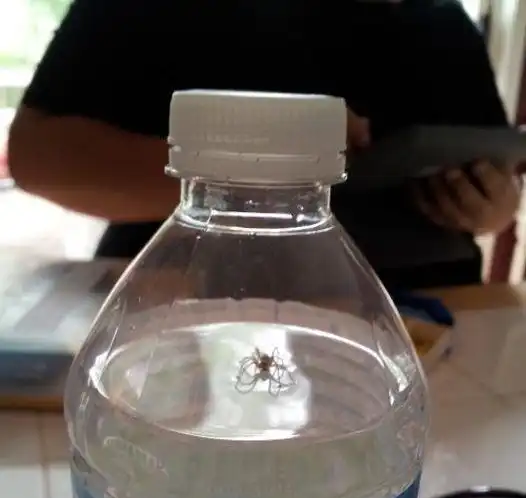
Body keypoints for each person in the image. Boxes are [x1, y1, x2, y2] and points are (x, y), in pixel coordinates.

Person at [7, 0, 520, 289]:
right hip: (188, 319)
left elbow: (496, 179)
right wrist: (260, 159)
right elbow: (37, 157)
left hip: (433, 317)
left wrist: (491, 208)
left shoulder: (444, 23)